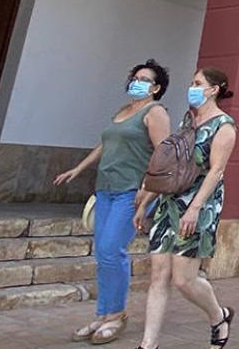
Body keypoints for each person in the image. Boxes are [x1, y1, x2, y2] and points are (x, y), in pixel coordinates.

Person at [54, 60, 172, 344]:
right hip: (105, 189)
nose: (137, 82)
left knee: (111, 250)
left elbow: (164, 153)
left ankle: (117, 315)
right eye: (135, 77)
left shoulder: (155, 112)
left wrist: (147, 189)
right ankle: (103, 313)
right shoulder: (123, 111)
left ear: (156, 88)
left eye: (144, 79)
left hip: (131, 191)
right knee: (102, 254)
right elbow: (105, 143)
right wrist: (78, 168)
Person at [134, 67, 238, 349]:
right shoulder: (187, 120)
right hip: (170, 202)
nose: (192, 87)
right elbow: (171, 164)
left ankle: (218, 316)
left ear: (213, 90)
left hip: (199, 205)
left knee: (183, 279)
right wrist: (146, 201)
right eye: (192, 82)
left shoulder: (224, 126)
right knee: (158, 275)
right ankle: (148, 344)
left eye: (197, 83)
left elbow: (216, 171)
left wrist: (194, 209)